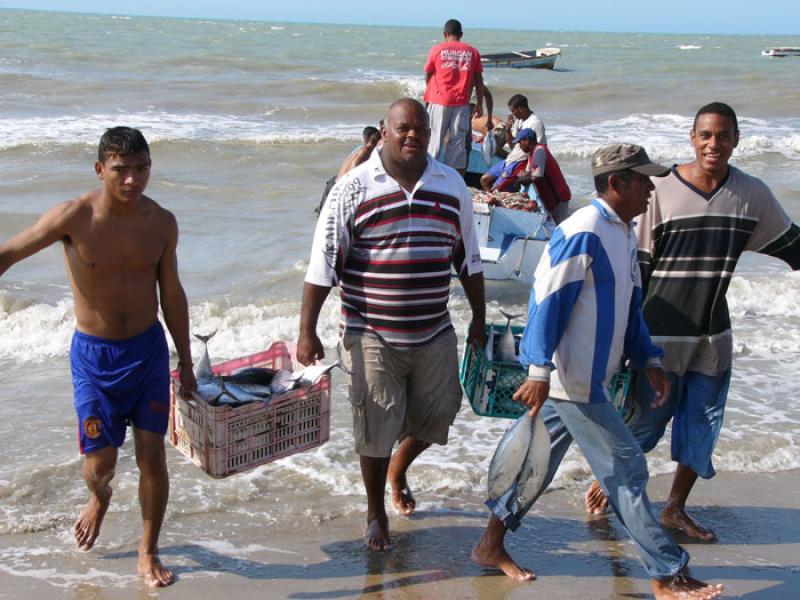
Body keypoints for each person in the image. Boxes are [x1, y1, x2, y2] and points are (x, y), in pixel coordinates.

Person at [471, 143, 724, 600]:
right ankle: (668, 572)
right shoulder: (582, 231)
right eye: (643, 180)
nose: (651, 188)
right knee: (627, 469)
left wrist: (647, 358)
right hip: (574, 383)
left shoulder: (624, 233)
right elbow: (547, 301)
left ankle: (490, 544)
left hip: (590, 379)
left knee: (536, 464)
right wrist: (538, 370)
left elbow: (628, 306)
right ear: (617, 183)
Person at [584, 103, 800, 542]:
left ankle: (674, 508)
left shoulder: (751, 194)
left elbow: (793, 247)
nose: (713, 144)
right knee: (643, 425)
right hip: (659, 337)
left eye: (722, 136)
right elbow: (634, 270)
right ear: (691, 138)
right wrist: (627, 340)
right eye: (705, 135)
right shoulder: (659, 189)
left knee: (702, 426)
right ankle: (607, 484)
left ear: (737, 140)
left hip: (711, 339)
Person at [0, 127, 197, 587]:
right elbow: (10, 251)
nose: (132, 181)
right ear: (100, 169)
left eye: (142, 169)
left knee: (152, 456)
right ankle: (99, 497)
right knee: (100, 463)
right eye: (121, 170)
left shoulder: (162, 223)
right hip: (95, 359)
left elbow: (172, 293)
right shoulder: (74, 217)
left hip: (148, 352)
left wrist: (185, 362)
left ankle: (148, 551)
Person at [298, 98, 486, 551]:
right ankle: (375, 512)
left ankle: (399, 465)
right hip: (371, 330)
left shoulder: (452, 184)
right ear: (384, 132)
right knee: (376, 423)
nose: (412, 136)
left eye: (420, 129)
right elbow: (323, 263)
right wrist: (307, 330)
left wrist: (479, 318)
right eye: (402, 128)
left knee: (442, 411)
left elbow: (469, 258)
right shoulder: (353, 188)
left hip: (434, 326)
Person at [423, 18, 487, 174]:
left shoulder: (437, 50)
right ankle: (454, 180)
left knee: (435, 140)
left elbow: (428, 74)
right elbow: (479, 81)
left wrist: (429, 95)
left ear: (445, 34)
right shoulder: (472, 52)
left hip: (439, 101)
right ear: (461, 34)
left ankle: (430, 176)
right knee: (458, 143)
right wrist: (479, 103)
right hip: (462, 103)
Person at [503, 94, 547, 163]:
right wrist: (508, 130)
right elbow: (512, 146)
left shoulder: (535, 123)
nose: (512, 114)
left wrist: (528, 169)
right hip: (515, 158)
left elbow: (540, 149)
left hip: (524, 161)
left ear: (520, 108)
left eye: (513, 111)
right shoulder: (519, 121)